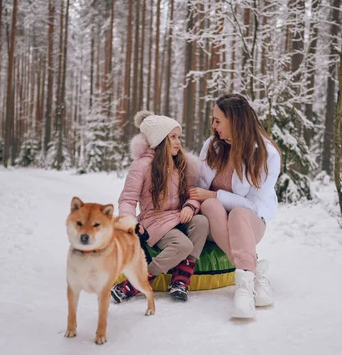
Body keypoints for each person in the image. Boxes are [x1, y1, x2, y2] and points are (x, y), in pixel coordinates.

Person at [189, 94, 281, 319]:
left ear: (235, 120)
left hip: (250, 223)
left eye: (218, 121)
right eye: (213, 120)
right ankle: (254, 274)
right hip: (215, 223)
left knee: (238, 212)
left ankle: (243, 289)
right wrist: (206, 198)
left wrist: (215, 194)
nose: (213, 126)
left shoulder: (266, 154)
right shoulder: (212, 146)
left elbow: (253, 204)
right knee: (210, 205)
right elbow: (199, 189)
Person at [112, 110, 209, 302]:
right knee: (183, 245)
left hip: (178, 216)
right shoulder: (141, 166)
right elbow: (128, 199)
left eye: (178, 137)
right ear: (160, 140)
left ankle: (181, 277)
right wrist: (130, 223)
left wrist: (190, 206)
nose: (178, 142)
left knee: (202, 222)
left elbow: (193, 191)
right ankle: (137, 281)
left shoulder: (182, 163)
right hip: (154, 220)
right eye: (173, 137)